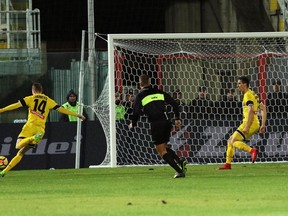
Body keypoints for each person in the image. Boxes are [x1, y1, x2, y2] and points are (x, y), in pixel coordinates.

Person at [0, 83, 86, 177]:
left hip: (30, 126)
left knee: (18, 146)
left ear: (33, 90)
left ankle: (31, 138)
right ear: (41, 90)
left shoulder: (30, 98)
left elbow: (16, 105)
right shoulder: (48, 100)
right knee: (21, 152)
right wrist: (78, 115)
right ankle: (4, 171)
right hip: (40, 130)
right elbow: (61, 109)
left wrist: (2, 110)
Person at [128, 74, 187, 178]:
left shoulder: (141, 96)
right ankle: (179, 161)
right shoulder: (159, 92)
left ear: (140, 84)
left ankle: (179, 171)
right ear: (149, 82)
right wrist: (177, 118)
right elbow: (174, 103)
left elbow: (136, 112)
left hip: (156, 123)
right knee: (164, 146)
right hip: (167, 122)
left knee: (161, 151)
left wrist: (134, 123)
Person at [217, 76, 267, 170]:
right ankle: (228, 164)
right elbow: (263, 108)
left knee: (233, 141)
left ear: (245, 84)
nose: (238, 85)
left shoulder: (248, 95)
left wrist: (247, 126)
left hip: (250, 122)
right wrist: (263, 124)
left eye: (239, 83)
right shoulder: (253, 94)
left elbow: (251, 110)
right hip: (255, 123)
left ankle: (252, 150)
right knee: (230, 140)